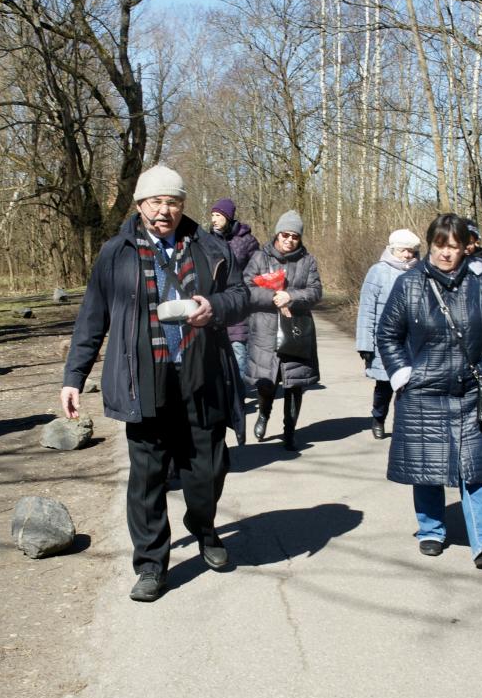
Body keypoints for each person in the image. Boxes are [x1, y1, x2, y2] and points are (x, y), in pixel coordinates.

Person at [61, 165, 247, 603]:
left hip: (201, 376)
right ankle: (150, 565)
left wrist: (213, 306)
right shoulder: (115, 252)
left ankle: (202, 526)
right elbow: (93, 317)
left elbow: (241, 295)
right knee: (146, 477)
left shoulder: (210, 246)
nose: (165, 211)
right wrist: (74, 376)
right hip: (142, 378)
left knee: (209, 469)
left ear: (183, 205)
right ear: (141, 205)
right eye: (156, 202)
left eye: (173, 202)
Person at [376, 213, 482, 567]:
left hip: (470, 389)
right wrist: (403, 373)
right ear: (431, 244)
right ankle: (431, 530)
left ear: (466, 247)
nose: (446, 254)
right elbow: (387, 334)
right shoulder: (409, 284)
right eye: (439, 245)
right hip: (423, 389)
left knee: (476, 469)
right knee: (427, 466)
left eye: (453, 246)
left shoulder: (481, 282)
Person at [243, 210, 323, 451]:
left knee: (294, 384)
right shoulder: (259, 257)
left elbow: (316, 291)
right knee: (267, 383)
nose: (289, 240)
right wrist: (273, 296)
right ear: (277, 234)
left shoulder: (307, 261)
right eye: (285, 235)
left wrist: (292, 296)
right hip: (265, 330)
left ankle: (290, 431)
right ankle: (264, 413)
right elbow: (246, 288)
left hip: (295, 331)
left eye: (294, 236)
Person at [355, 228, 421, 439]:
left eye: (411, 251)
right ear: (392, 249)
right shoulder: (378, 271)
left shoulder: (420, 272)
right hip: (384, 339)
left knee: (409, 386)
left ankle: (403, 425)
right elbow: (367, 308)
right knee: (384, 385)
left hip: (411, 340)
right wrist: (365, 344)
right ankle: (378, 418)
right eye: (403, 250)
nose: (407, 255)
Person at [210, 198, 259, 393]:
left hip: (239, 302)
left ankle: (237, 393)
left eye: (218, 215)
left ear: (228, 217)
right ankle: (223, 391)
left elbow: (258, 269)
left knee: (239, 348)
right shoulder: (206, 239)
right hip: (215, 302)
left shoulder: (247, 241)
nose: (214, 219)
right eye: (212, 215)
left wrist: (242, 286)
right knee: (217, 351)